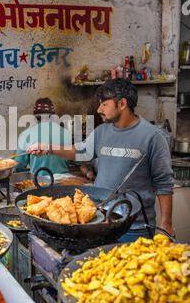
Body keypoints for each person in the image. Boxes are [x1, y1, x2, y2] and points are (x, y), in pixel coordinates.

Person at [27, 80, 175, 241]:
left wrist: (166, 223)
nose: (99, 110)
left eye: (104, 104)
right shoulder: (101, 132)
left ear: (122, 103)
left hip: (135, 227)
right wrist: (48, 148)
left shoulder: (152, 137)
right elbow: (80, 151)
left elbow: (164, 183)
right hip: (101, 221)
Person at [15, 97, 72, 176]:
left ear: (35, 116)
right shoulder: (66, 133)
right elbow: (75, 159)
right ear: (52, 115)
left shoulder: (26, 134)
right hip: (65, 181)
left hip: (40, 182)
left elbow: (18, 165)